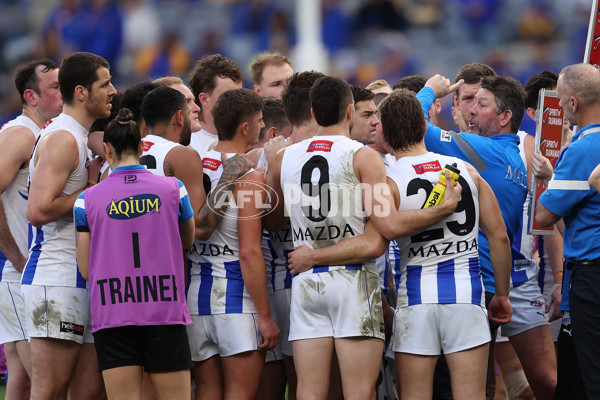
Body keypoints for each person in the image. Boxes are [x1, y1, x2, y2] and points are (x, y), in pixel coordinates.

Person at [268, 76, 462, 399]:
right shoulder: (364, 157)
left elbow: (273, 221)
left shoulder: (282, 158)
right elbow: (380, 236)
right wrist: (440, 210)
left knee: (309, 392)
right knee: (360, 391)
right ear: (348, 112)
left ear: (313, 114)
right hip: (353, 283)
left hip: (306, 284)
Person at [418, 74, 559, 399]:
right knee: (500, 383)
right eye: (469, 102)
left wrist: (429, 92)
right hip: (498, 279)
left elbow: (412, 122)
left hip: (483, 279)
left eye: (481, 105)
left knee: (458, 385)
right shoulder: (514, 152)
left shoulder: (481, 150)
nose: (472, 112)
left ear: (505, 116)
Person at [383, 88, 511, 399]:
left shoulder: (387, 181)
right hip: (466, 295)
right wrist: (503, 294)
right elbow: (500, 236)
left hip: (416, 299)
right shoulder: (466, 171)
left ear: (385, 135)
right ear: (425, 127)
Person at [74, 108, 194, 400]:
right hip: (163, 308)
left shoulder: (86, 199)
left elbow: (86, 268)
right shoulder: (173, 188)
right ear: (142, 147)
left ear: (107, 149)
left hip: (113, 311)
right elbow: (186, 241)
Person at [24, 51, 116, 400]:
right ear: (81, 92)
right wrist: (93, 191)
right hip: (57, 277)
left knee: (86, 393)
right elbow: (38, 209)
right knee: (49, 391)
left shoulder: (75, 135)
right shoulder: (63, 138)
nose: (112, 90)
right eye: (105, 83)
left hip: (81, 278)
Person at [186, 88, 279, 400]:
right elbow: (250, 253)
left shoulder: (194, 163)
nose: (262, 127)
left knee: (208, 392)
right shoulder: (250, 178)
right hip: (236, 300)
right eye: (259, 121)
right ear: (245, 127)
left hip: (196, 298)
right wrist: (266, 317)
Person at [0, 58, 63, 400]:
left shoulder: (45, 134)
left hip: (26, 273)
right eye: (54, 87)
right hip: (22, 272)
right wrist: (15, 256)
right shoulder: (22, 134)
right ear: (32, 96)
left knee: (22, 380)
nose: (63, 92)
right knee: (45, 382)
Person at [536, 62, 600, 399]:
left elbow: (545, 215)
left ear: (572, 104)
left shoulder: (580, 150)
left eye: (561, 102)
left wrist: (550, 182)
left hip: (590, 276)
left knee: (591, 376)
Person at [188, 54, 243, 156]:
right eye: (228, 95)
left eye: (240, 94)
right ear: (204, 99)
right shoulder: (187, 143)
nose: (238, 101)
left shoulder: (251, 137)